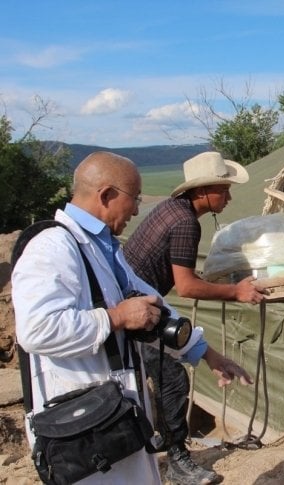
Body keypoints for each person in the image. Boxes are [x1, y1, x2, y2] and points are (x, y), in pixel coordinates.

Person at [11, 151, 253, 484]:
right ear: (106, 195)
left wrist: (207, 354)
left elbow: (151, 304)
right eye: (134, 198)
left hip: (112, 419)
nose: (138, 209)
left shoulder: (101, 247)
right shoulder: (51, 248)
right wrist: (114, 318)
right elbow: (37, 330)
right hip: (82, 429)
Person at [124, 151, 266, 484]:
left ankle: (161, 439)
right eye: (223, 189)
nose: (229, 196)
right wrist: (236, 292)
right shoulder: (186, 222)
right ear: (202, 191)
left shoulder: (172, 211)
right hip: (138, 311)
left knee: (157, 379)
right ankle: (178, 461)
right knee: (172, 379)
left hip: (136, 304)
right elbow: (186, 286)